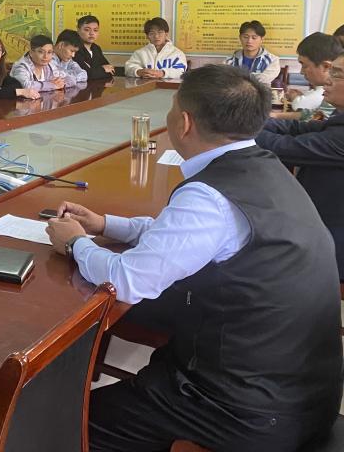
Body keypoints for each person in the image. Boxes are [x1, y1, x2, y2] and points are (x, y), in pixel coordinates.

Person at [45, 65, 342, 452]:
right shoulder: (264, 166)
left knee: (57, 427)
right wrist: (104, 224)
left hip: (241, 409)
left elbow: (126, 281)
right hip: (299, 395)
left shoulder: (210, 196)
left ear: (184, 123)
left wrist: (75, 243)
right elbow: (185, 235)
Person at [257, 51, 344, 279]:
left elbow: (286, 147)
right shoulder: (338, 116)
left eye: (337, 74)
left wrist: (234, 128)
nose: (328, 80)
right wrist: (252, 122)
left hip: (334, 241)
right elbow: (299, 128)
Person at [280, 32, 342, 120]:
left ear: (326, 66)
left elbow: (316, 122)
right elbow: (313, 115)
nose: (301, 72)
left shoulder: (335, 92)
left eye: (304, 66)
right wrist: (275, 116)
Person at [225, 20, 280, 84]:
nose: (249, 41)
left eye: (254, 38)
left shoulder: (272, 60)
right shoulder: (230, 60)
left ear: (262, 39)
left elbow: (263, 79)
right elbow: (225, 78)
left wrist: (238, 78)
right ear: (240, 38)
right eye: (245, 37)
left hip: (260, 90)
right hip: (235, 90)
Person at [73, 15, 115, 79]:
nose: (92, 33)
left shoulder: (96, 48)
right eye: (87, 30)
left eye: (95, 30)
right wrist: (102, 69)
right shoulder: (74, 48)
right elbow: (85, 74)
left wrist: (95, 71)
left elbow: (111, 70)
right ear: (78, 30)